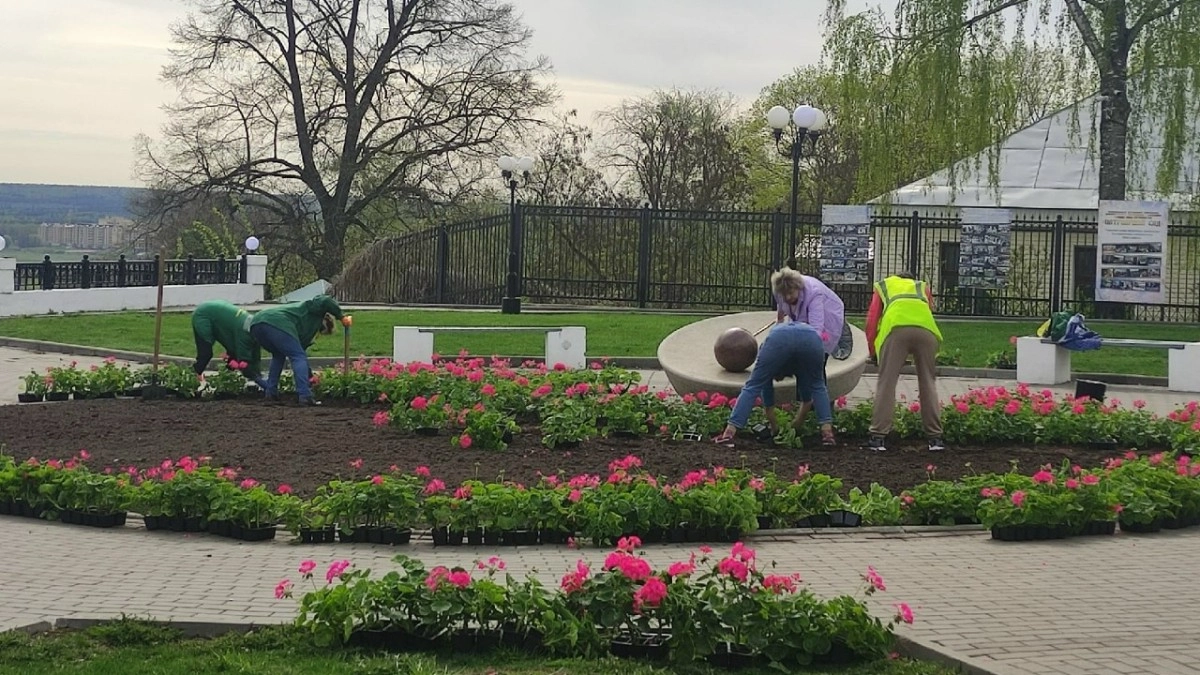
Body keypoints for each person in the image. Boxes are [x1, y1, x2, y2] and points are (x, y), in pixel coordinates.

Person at [713, 321, 836, 447]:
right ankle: (827, 435)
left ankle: (728, 434)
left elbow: (768, 404)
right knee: (818, 385)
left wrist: (774, 428)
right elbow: (807, 400)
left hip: (780, 339)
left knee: (753, 386)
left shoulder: (767, 356)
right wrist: (795, 426)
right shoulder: (802, 369)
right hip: (811, 339)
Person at [864, 272, 944, 452]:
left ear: (896, 278)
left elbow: (872, 320)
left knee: (887, 382)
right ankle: (935, 439)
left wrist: (873, 351)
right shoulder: (921, 286)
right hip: (926, 331)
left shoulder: (884, 286)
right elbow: (927, 310)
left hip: (896, 329)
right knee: (928, 382)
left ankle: (878, 438)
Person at [771, 267, 845, 428]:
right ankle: (804, 405)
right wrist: (779, 322)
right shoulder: (781, 291)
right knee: (799, 362)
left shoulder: (814, 294)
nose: (788, 297)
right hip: (802, 320)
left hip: (827, 321)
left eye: (791, 293)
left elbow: (816, 330)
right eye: (785, 295)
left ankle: (823, 411)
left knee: (816, 363)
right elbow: (781, 306)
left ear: (798, 288)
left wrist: (806, 348)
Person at [248, 294, 351, 406]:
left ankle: (271, 392)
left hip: (256, 323)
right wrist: (341, 317)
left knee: (278, 355)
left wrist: (310, 376)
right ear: (323, 325)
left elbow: (301, 358)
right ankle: (305, 396)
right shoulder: (315, 310)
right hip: (277, 323)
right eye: (321, 333)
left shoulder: (303, 327)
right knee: (298, 357)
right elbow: (325, 300)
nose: (317, 336)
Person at [190, 300, 266, 390]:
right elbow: (243, 360)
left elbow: (256, 357)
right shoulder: (245, 334)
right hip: (203, 315)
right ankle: (191, 377)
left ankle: (224, 380)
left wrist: (257, 373)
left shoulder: (254, 331)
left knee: (233, 356)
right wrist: (256, 378)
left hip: (219, 314)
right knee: (206, 354)